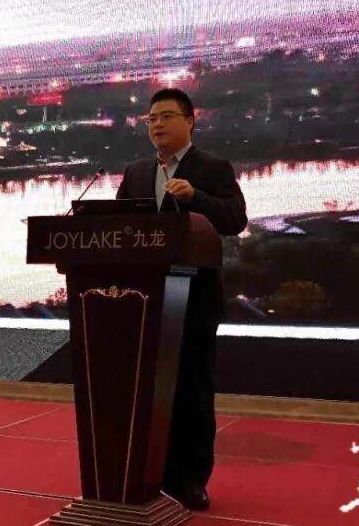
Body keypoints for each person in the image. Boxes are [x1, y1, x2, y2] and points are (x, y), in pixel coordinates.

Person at [116, 88, 247, 511]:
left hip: (195, 298)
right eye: (151, 118)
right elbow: (119, 228)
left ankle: (191, 479)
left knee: (192, 390)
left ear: (190, 121)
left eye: (166, 116)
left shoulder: (212, 168)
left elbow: (235, 219)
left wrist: (196, 198)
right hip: (144, 300)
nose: (156, 124)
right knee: (148, 393)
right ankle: (147, 473)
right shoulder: (137, 172)